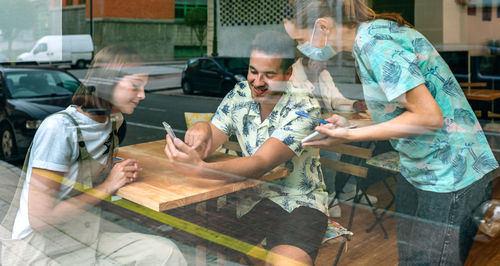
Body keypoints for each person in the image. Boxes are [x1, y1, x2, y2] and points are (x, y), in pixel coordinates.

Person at [284, 0, 498, 265]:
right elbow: (401, 117)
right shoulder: (366, 43)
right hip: (419, 169)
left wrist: (350, 137)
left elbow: (428, 117)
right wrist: (350, 126)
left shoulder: (376, 44)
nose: (303, 48)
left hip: (451, 173)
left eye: (303, 39)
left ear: (323, 27)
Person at [0, 45, 186, 265]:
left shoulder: (114, 123)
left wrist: (118, 168)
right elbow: (39, 218)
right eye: (136, 86)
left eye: (144, 87)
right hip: (41, 249)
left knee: (166, 253)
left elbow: (87, 168)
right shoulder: (59, 129)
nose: (142, 95)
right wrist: (108, 186)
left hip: (85, 239)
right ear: (107, 83)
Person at [164, 31, 328, 266]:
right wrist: (202, 129)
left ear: (288, 73)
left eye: (269, 75)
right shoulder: (240, 93)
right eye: (253, 71)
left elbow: (261, 163)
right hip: (251, 199)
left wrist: (198, 169)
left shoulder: (304, 106)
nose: (258, 82)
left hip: (299, 203)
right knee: (193, 246)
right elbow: (211, 138)